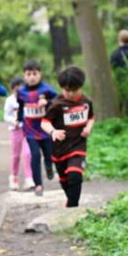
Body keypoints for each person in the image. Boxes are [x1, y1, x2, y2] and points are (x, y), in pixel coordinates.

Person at [41, 65, 95, 208]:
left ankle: (73, 207)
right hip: (60, 149)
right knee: (65, 181)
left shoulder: (86, 102)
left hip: (78, 144)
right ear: (62, 88)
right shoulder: (56, 104)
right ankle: (71, 201)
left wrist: (88, 128)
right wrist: (53, 132)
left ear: (80, 86)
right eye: (67, 90)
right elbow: (44, 122)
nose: (71, 94)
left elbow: (91, 117)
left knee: (75, 175)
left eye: (74, 90)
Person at [16, 60, 58, 196]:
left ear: (40, 74)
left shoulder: (46, 89)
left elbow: (58, 100)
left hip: (45, 129)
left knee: (48, 155)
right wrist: (18, 119)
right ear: (24, 76)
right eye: (28, 74)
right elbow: (21, 107)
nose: (32, 77)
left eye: (35, 73)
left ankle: (49, 166)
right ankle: (38, 184)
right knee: (34, 155)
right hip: (30, 130)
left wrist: (47, 102)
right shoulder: (21, 92)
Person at [3, 76, 33, 191]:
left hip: (27, 130)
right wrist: (13, 121)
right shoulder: (10, 101)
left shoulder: (28, 99)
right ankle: (14, 177)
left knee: (27, 153)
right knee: (16, 155)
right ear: (12, 90)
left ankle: (29, 178)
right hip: (15, 130)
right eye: (17, 90)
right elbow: (6, 115)